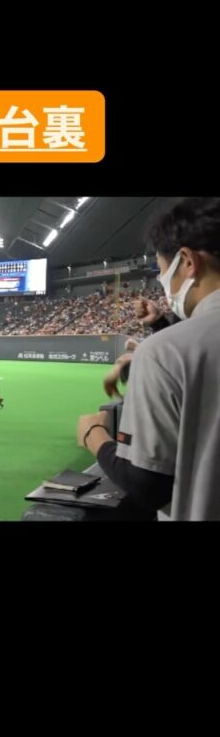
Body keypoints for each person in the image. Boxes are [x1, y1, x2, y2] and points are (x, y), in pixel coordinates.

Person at [77, 197, 220, 521]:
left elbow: (148, 486)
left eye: (161, 269)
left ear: (188, 261)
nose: (161, 279)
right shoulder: (169, 346)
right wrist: (160, 325)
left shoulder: (162, 352)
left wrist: (94, 436)